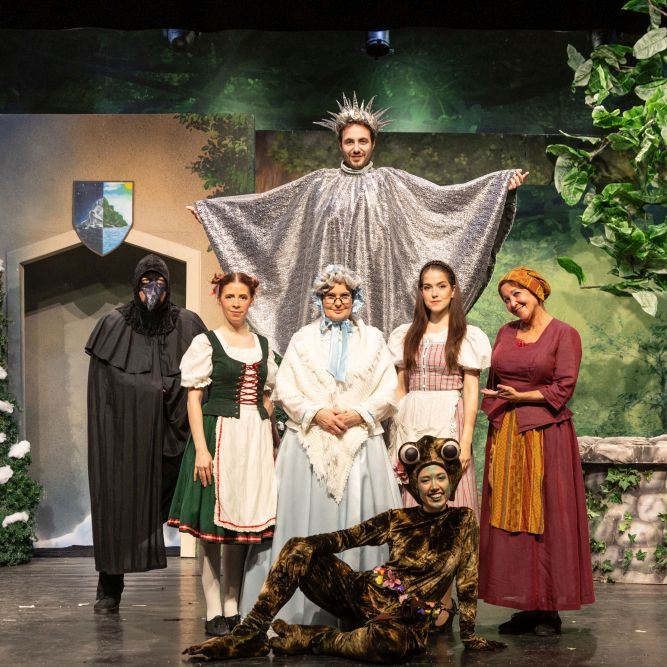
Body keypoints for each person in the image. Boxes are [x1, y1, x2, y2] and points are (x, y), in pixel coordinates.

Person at [189, 93, 527, 354]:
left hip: (380, 294)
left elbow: (445, 201)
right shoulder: (318, 184)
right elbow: (268, 211)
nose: (356, 148)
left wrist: (499, 188)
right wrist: (215, 214)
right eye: (349, 141)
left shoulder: (392, 182)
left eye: (362, 141)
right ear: (340, 144)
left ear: (373, 144)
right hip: (327, 299)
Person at [183, 435, 506, 662]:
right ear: (416, 486)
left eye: (440, 478)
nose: (434, 487)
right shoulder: (398, 519)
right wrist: (306, 546)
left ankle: (314, 638)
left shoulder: (463, 520)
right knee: (298, 548)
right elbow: (347, 537)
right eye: (425, 480)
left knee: (390, 646)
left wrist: (469, 635)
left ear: (450, 480)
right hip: (360, 594)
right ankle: (250, 635)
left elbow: (468, 580)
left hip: (403, 621)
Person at [239, 264, 401, 625]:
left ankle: (364, 607)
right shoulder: (303, 339)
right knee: (306, 521)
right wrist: (316, 413)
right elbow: (286, 389)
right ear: (320, 299)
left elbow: (388, 390)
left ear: (355, 299)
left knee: (360, 519)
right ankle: (298, 609)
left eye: (345, 296)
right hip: (310, 439)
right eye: (330, 296)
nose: (338, 302)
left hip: (360, 442)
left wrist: (359, 413)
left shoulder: (373, 339)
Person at [85, 253, 206, 613]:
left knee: (192, 495)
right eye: (145, 282)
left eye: (160, 282)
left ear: (169, 286)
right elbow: (102, 393)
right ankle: (110, 585)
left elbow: (203, 379)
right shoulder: (113, 325)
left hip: (177, 435)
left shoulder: (188, 324)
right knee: (120, 503)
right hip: (128, 436)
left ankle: (222, 594)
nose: (152, 289)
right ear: (135, 285)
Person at [479, 266, 594, 635]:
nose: (512, 303)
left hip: (547, 436)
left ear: (536, 292)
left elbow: (563, 388)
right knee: (511, 517)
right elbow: (496, 378)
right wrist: (498, 399)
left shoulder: (564, 334)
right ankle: (527, 605)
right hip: (508, 433)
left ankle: (549, 608)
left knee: (547, 516)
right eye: (506, 299)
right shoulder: (505, 333)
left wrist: (522, 396)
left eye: (517, 294)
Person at [167, 272, 278, 636]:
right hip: (218, 436)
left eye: (242, 297)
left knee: (241, 525)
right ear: (219, 299)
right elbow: (194, 399)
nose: (236, 303)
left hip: (253, 441)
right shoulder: (207, 342)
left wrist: (265, 425)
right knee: (212, 529)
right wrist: (201, 449)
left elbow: (268, 395)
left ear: (251, 301)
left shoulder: (262, 344)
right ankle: (213, 607)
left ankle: (233, 603)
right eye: (230, 296)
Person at [388, 259, 491, 630]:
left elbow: (471, 392)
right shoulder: (406, 334)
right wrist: (396, 434)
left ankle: (444, 605)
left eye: (441, 286)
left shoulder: (467, 336)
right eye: (427, 287)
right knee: (414, 518)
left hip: (448, 420)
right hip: (412, 421)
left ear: (453, 289)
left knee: (446, 516)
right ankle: (414, 601)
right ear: (420, 292)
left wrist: (465, 440)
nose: (433, 293)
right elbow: (400, 388)